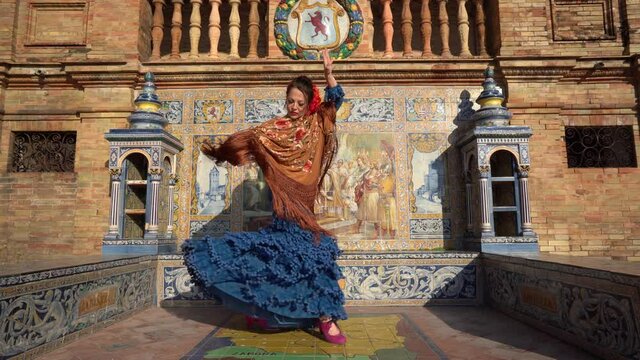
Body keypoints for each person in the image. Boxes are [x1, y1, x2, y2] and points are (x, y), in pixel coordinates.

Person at [181, 49, 348, 345]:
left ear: (309, 102)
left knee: (315, 256)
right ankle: (267, 309)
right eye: (290, 102)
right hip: (282, 209)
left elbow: (336, 97)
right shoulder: (276, 129)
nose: (294, 107)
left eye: (300, 102)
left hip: (304, 209)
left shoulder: (318, 122)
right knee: (273, 259)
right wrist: (225, 151)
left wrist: (328, 72)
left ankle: (324, 318)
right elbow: (250, 137)